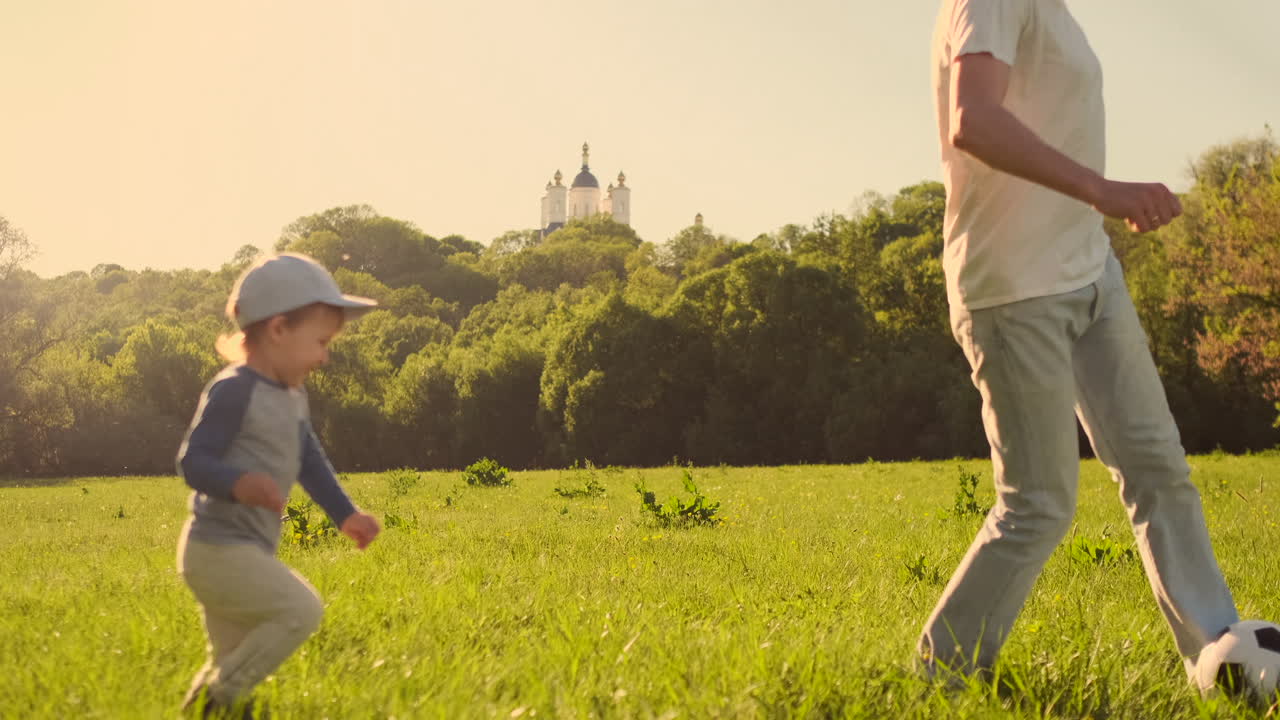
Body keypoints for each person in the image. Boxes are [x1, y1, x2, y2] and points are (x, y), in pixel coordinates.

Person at [921, 0, 1239, 680]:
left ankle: (1222, 657)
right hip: (1014, 286)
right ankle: (942, 674)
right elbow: (973, 119)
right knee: (1038, 503)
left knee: (1159, 471)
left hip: (1089, 271)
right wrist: (1102, 190)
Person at [175, 252, 382, 716]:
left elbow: (308, 459)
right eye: (321, 341)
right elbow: (194, 462)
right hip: (216, 548)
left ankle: (209, 707)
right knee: (301, 611)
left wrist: (345, 514)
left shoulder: (292, 395)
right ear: (279, 330)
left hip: (244, 549)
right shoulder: (234, 389)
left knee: (231, 655)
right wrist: (239, 483)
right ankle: (221, 698)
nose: (325, 356)